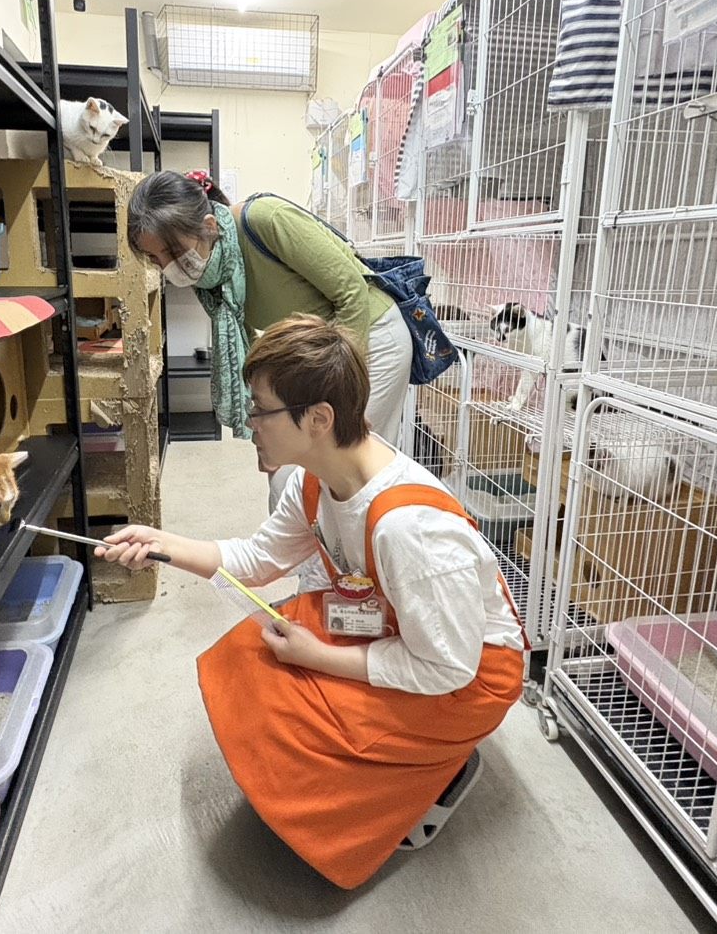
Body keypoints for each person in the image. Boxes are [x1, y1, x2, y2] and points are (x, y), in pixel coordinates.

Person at [96, 316, 527, 889]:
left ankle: (433, 769)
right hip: (398, 626)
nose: (249, 423)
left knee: (299, 720)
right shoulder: (314, 481)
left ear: (318, 419)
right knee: (253, 656)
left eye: (261, 410)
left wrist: (318, 657)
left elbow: (448, 666)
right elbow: (257, 560)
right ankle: (395, 768)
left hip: (468, 678)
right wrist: (162, 544)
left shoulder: (410, 530)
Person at [127, 169, 412, 504]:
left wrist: (346, 395)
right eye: (155, 258)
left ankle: (362, 536)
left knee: (348, 472)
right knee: (289, 479)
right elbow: (251, 352)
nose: (167, 266)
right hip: (316, 356)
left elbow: (352, 293)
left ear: (209, 226)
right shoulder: (212, 276)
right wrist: (264, 435)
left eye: (172, 251)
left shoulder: (265, 220)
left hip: (369, 339)